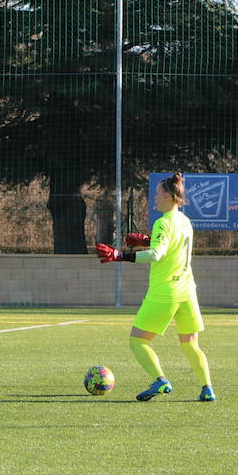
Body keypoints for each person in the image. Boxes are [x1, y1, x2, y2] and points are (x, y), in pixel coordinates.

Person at [96, 172, 216, 402]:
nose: (154, 198)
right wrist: (144, 239)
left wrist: (120, 255)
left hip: (165, 292)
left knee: (137, 341)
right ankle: (207, 388)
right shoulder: (184, 220)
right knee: (191, 345)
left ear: (170, 196)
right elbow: (170, 244)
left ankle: (160, 380)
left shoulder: (162, 222)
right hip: (188, 291)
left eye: (158, 194)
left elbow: (157, 254)